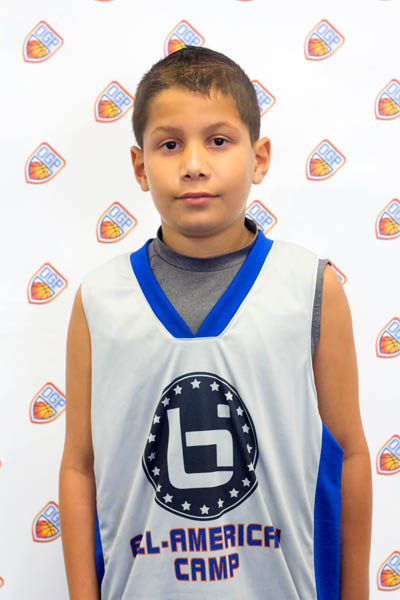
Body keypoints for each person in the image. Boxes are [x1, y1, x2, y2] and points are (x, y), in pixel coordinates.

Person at [59, 46, 372, 599]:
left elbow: (347, 455)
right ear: (140, 167)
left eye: (219, 141)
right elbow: (80, 468)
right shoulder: (100, 299)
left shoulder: (312, 287)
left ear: (260, 158)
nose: (194, 164)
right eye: (170, 144)